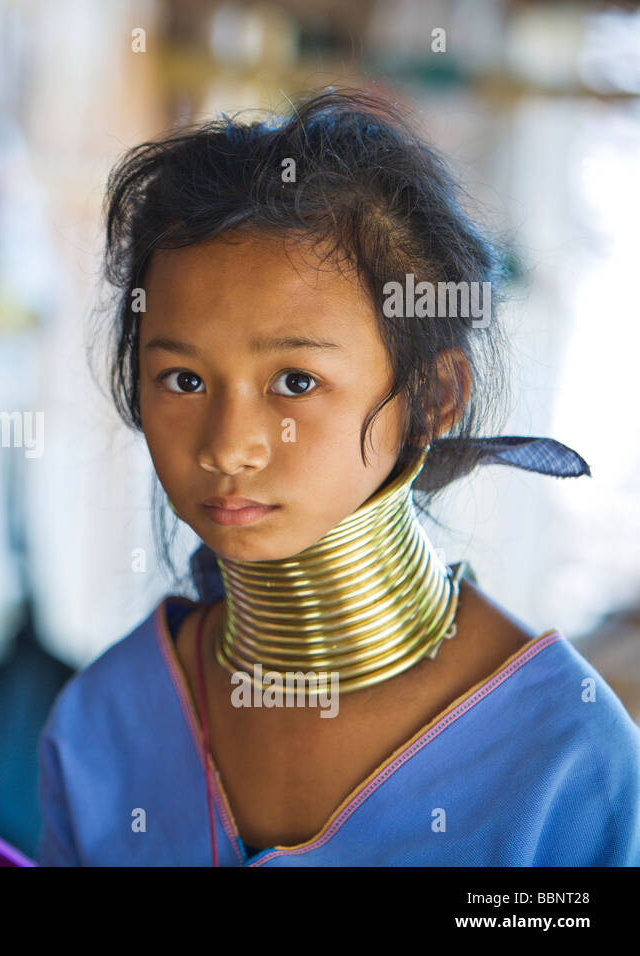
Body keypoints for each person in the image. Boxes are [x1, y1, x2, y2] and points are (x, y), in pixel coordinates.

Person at [36, 89, 640, 866]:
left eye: (294, 382)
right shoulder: (104, 724)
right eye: (183, 381)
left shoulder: (568, 770)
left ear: (432, 397)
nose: (229, 449)